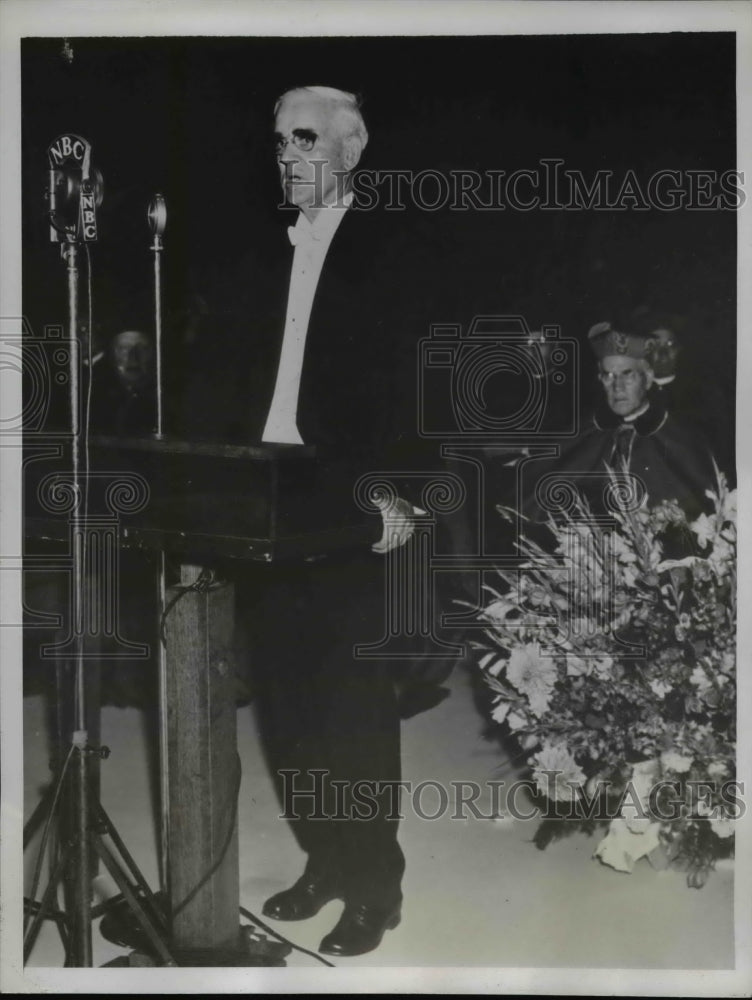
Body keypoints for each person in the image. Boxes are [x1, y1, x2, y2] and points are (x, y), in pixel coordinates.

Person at [179, 86, 439, 957]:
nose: (287, 156)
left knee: (353, 707)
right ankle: (326, 857)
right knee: (288, 701)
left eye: (305, 140)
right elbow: (226, 375)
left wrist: (397, 492)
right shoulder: (261, 251)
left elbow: (419, 387)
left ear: (352, 149)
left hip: (352, 502)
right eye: (279, 142)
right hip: (268, 497)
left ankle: (375, 884)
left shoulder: (397, 252)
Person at [523, 319, 716, 521]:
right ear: (600, 379)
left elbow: (703, 506)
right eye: (609, 376)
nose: (618, 387)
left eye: (627, 375)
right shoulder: (586, 431)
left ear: (648, 378)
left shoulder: (679, 435)